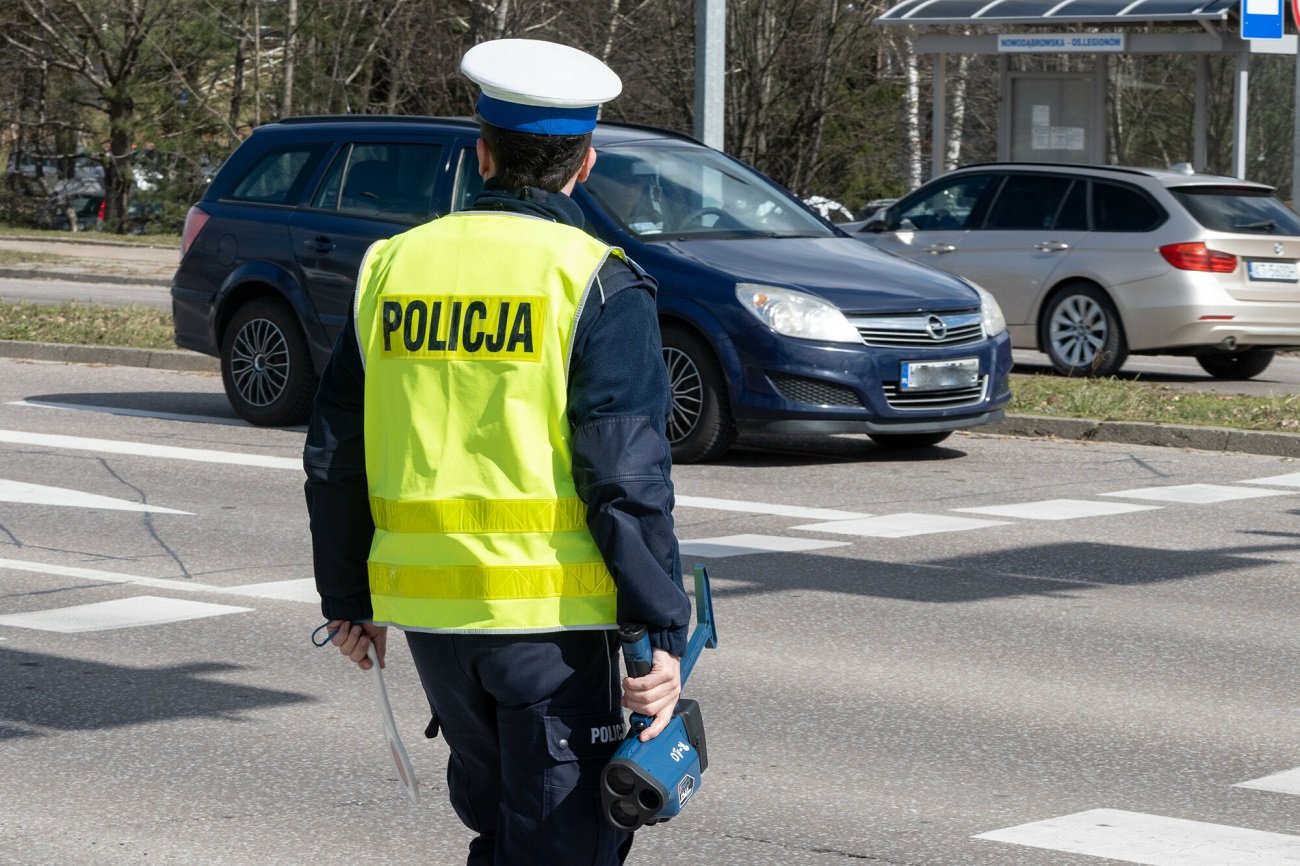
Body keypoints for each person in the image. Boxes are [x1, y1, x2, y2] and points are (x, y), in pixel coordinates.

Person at [303, 37, 692, 866]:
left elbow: (338, 448)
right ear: (585, 165)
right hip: (551, 626)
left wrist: (348, 596)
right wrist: (659, 630)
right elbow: (625, 475)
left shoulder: (391, 267)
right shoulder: (594, 279)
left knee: (505, 834)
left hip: (434, 622)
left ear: (481, 152)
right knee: (562, 845)